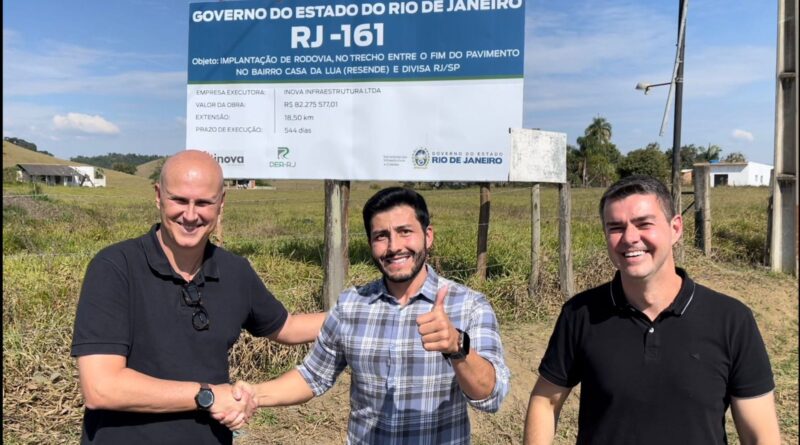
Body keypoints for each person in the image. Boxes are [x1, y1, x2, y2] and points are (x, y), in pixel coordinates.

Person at [71, 150, 325, 444]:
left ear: (221, 203)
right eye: (179, 200)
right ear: (158, 196)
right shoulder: (116, 267)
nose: (191, 215)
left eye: (203, 203)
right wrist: (208, 395)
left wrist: (357, 312)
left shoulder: (235, 272)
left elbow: (287, 327)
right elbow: (101, 388)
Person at [523, 175, 781, 445]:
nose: (629, 238)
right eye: (615, 227)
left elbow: (760, 434)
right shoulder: (581, 314)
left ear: (675, 228)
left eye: (644, 224)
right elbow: (545, 402)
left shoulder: (730, 320)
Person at [241, 187, 510, 444]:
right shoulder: (352, 306)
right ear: (370, 243)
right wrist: (254, 394)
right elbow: (312, 376)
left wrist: (457, 346)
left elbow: (491, 395)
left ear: (428, 236)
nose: (394, 247)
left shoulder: (469, 306)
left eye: (405, 232)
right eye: (381, 236)